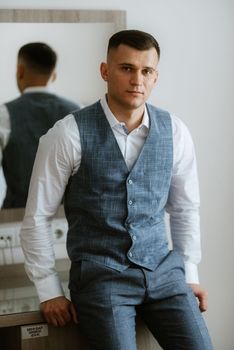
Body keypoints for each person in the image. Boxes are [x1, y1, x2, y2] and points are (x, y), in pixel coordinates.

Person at [20, 30, 213, 349]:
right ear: (105, 71)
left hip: (165, 275)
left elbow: (184, 208)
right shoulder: (67, 134)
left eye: (146, 70)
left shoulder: (175, 131)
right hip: (101, 279)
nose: (137, 79)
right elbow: (37, 215)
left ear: (155, 77)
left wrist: (190, 272)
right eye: (126, 68)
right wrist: (48, 289)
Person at [0, 42, 80, 208]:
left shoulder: (4, 114)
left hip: (16, 220)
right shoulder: (77, 111)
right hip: (66, 220)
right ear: (54, 76)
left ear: (20, 71)